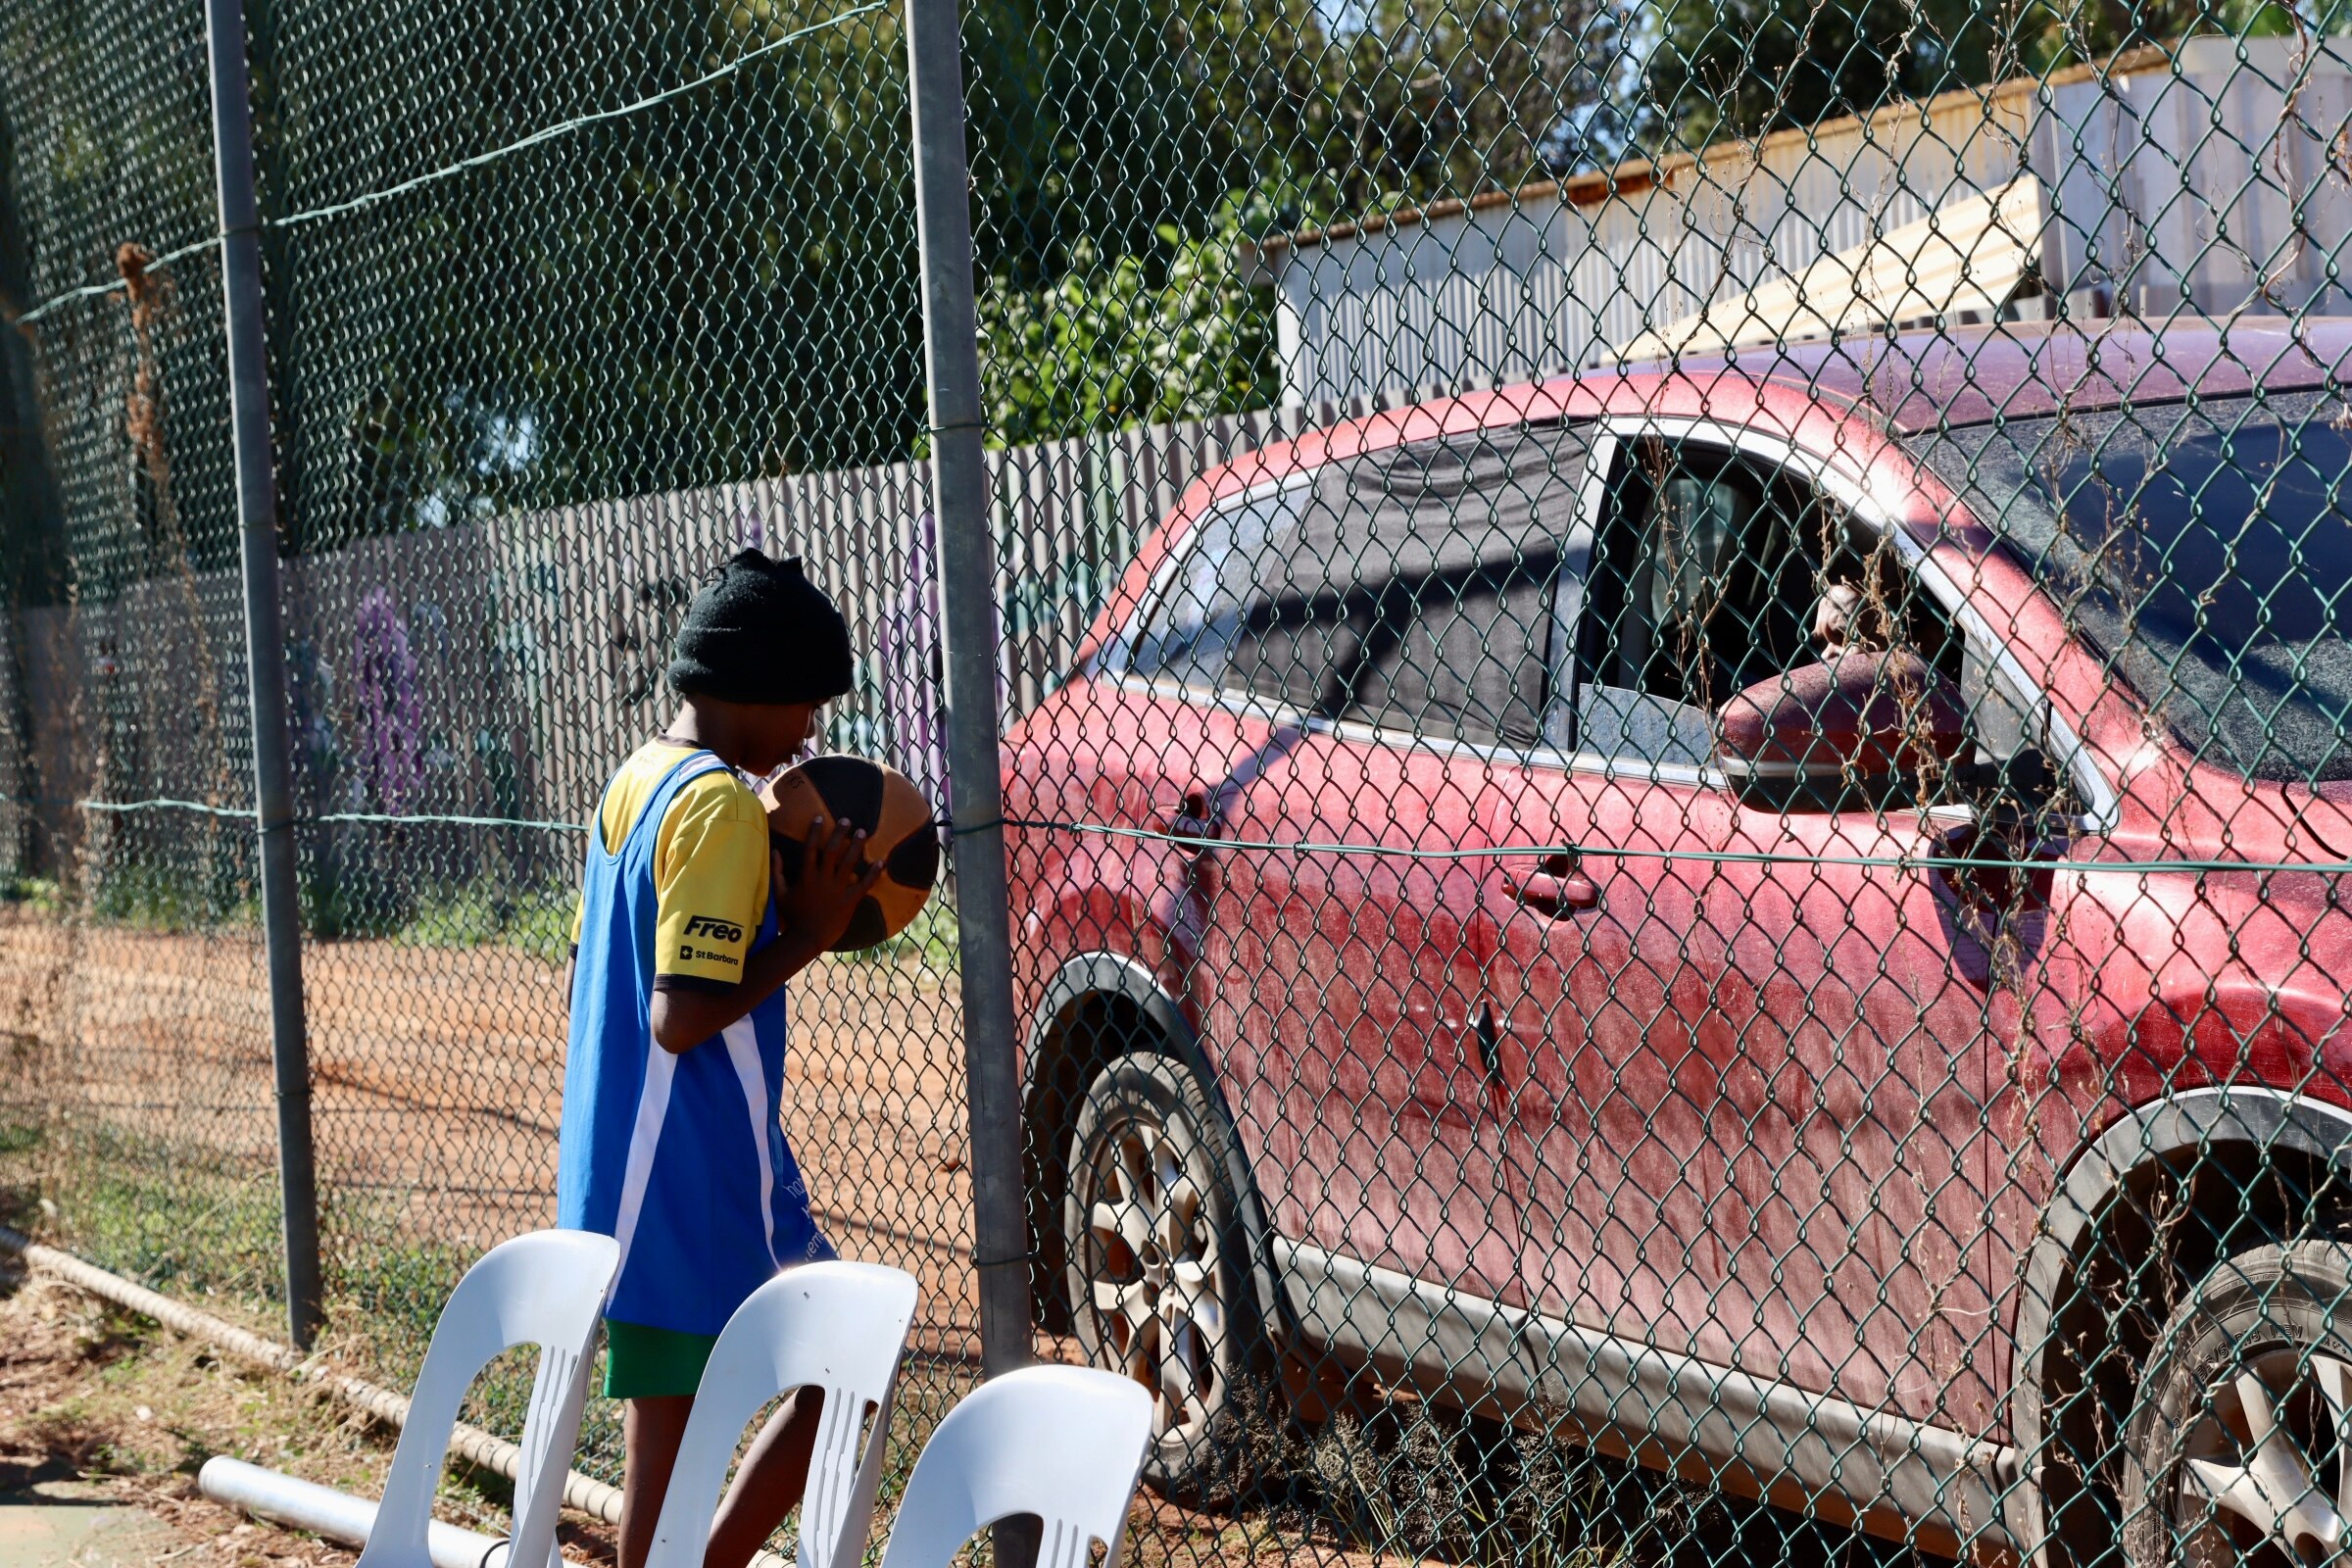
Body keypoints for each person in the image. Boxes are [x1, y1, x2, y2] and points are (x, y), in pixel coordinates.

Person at [558, 549, 879, 1568]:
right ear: (758, 693)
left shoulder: (637, 782)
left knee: (667, 1445)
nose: (814, 735)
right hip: (697, 1177)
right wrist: (813, 928)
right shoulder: (722, 805)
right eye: (808, 706)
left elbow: (598, 968)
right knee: (852, 1369)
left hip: (620, 1174)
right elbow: (680, 1016)